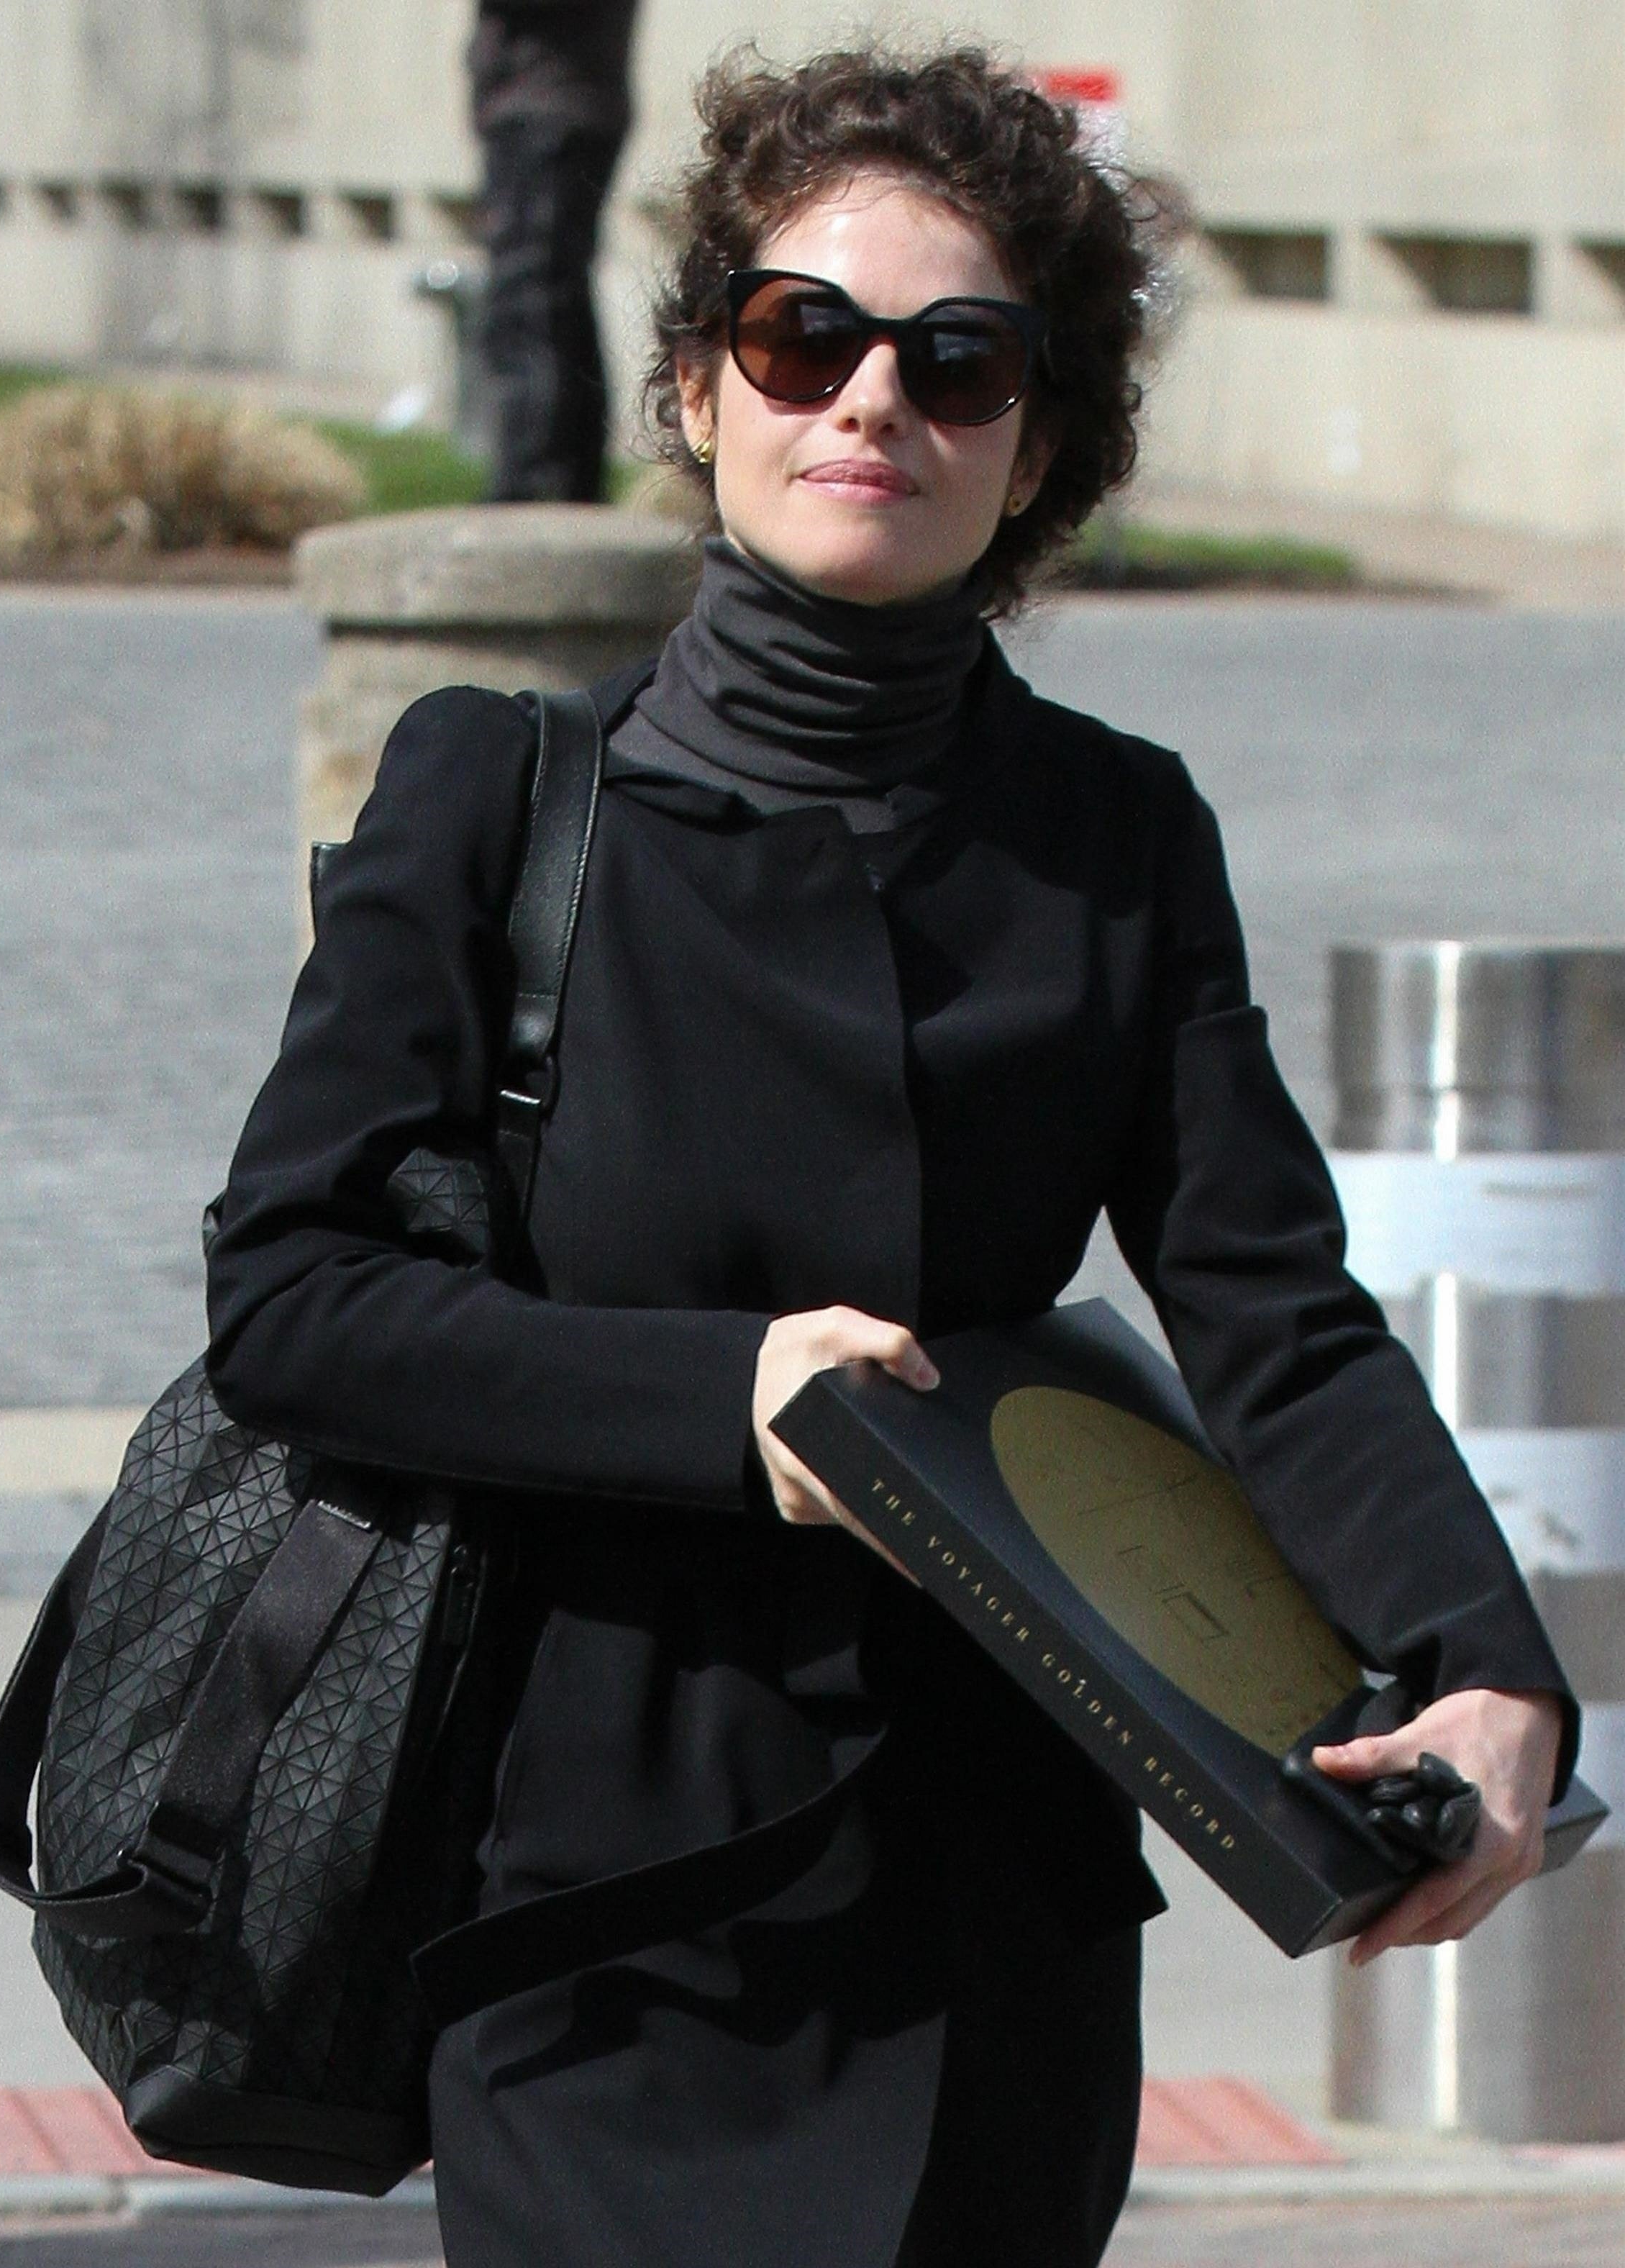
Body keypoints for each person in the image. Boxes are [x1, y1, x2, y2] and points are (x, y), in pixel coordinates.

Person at [206, 45, 1576, 2268]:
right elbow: (294, 1302)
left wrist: (1488, 1667)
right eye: (799, 336)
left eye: (959, 363)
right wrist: (719, 1394)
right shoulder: (497, 798)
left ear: (1038, 442)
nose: (872, 405)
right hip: (591, 1909)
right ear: (698, 392)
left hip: (988, 1912)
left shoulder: (1110, 840)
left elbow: (1271, 1313)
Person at [468, 0, 639, 499]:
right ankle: (560, 483)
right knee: (551, 301)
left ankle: (537, 485)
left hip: (549, 105)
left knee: (531, 305)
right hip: (553, 100)